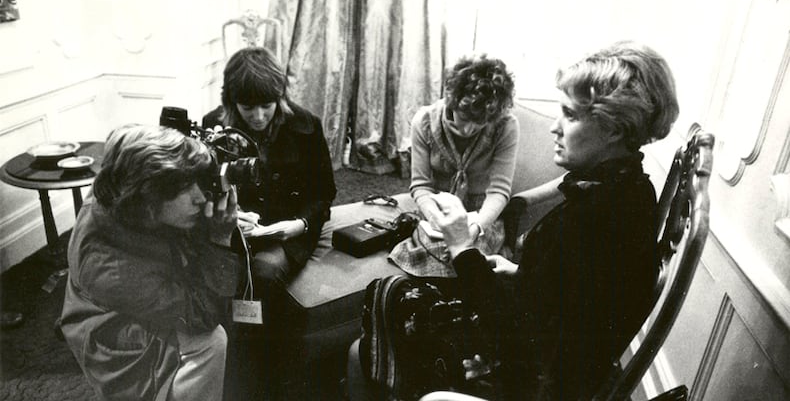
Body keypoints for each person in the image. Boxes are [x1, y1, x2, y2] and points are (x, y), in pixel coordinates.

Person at [348, 40, 679, 400]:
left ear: (613, 129)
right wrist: (521, 273)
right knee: (393, 307)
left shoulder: (599, 216)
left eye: (569, 115)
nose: (555, 126)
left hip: (534, 384)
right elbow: (571, 298)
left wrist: (462, 244)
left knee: (368, 340)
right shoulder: (628, 190)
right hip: (550, 362)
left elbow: (513, 329)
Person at [60, 124, 242, 401]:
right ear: (147, 197)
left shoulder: (120, 187)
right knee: (211, 340)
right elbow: (203, 316)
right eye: (185, 188)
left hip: (129, 294)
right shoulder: (113, 269)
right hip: (112, 336)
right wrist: (219, 238)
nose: (200, 197)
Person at [202, 46, 336, 284]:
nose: (259, 116)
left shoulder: (306, 126)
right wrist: (231, 215)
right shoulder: (214, 124)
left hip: (288, 228)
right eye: (248, 108)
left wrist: (300, 225)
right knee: (211, 268)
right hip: (233, 226)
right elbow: (206, 186)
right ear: (232, 103)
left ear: (280, 98)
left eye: (267, 105)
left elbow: (323, 193)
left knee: (265, 271)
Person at [389, 54, 519, 277]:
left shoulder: (506, 125)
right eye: (463, 117)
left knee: (470, 260)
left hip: (481, 214)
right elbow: (420, 185)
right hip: (438, 211)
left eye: (479, 122)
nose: (469, 130)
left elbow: (499, 191)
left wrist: (475, 229)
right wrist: (435, 218)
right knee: (432, 253)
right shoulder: (424, 121)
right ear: (452, 100)